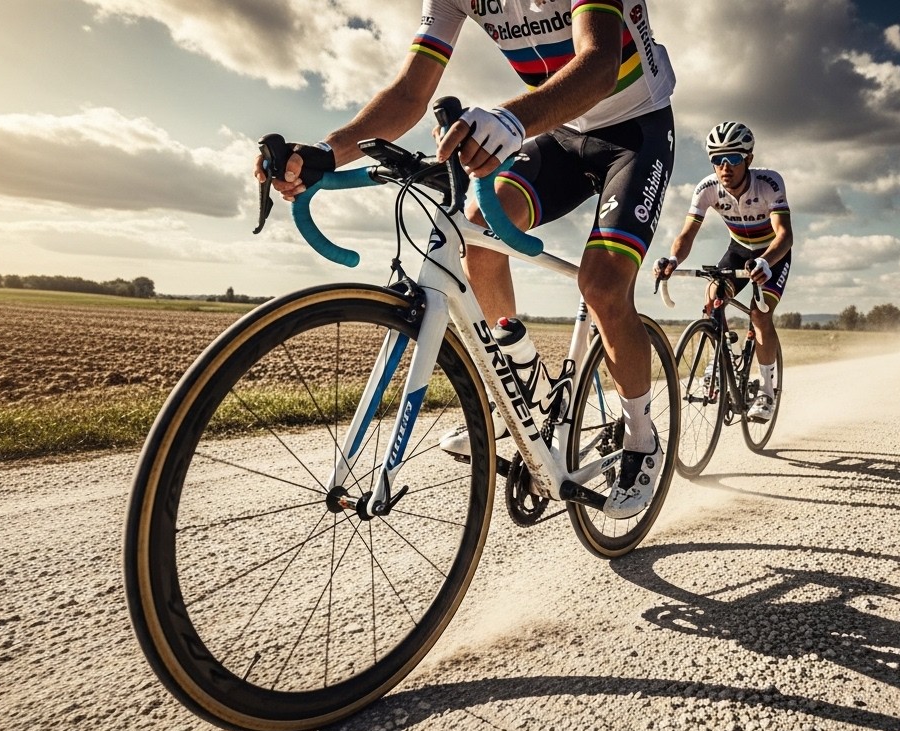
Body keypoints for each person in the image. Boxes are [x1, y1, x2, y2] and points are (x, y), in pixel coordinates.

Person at [254, 0, 676, 518]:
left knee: (605, 286)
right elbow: (412, 91)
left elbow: (598, 64)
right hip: (560, 131)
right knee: (474, 231)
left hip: (636, 131)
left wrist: (509, 119)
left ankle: (640, 438)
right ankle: (522, 388)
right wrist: (326, 151)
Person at [654, 121, 792, 420]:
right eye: (717, 159)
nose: (724, 167)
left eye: (733, 158)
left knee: (759, 314)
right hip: (739, 250)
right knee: (713, 297)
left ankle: (767, 394)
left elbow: (784, 235)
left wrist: (766, 262)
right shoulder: (707, 189)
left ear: (749, 159)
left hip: (772, 253)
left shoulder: (769, 183)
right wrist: (673, 260)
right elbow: (687, 235)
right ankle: (718, 361)